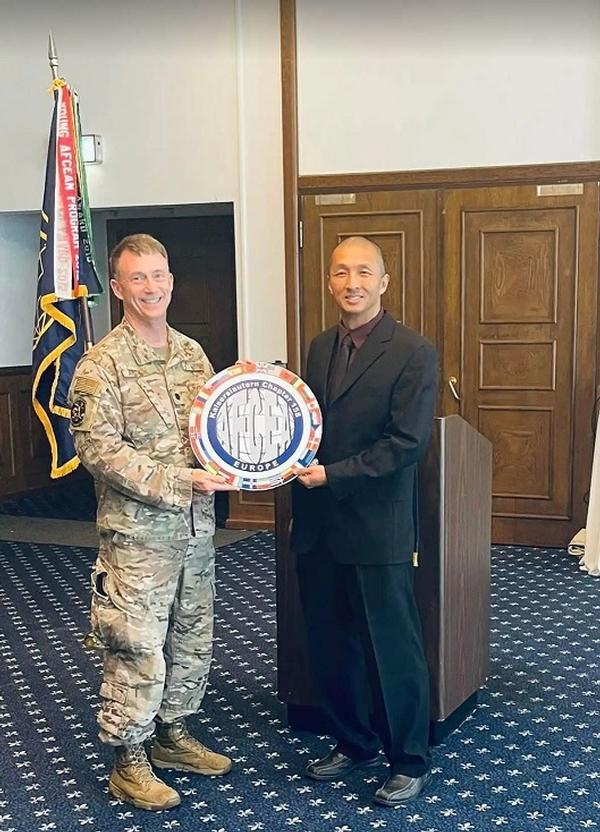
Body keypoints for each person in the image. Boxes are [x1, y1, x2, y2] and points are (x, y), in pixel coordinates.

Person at [69, 234, 238, 811]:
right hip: (136, 537)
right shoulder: (99, 366)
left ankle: (173, 734)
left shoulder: (194, 356)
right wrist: (178, 482)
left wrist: (243, 459)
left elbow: (214, 431)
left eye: (159, 275)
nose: (152, 287)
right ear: (117, 288)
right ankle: (129, 757)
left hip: (195, 532)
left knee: (191, 636)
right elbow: (100, 451)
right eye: (138, 278)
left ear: (172, 280)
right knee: (136, 645)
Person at [291, 236, 438, 807]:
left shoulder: (413, 351)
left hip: (376, 526)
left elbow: (406, 443)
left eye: (363, 272)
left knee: (391, 646)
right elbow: (307, 425)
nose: (351, 282)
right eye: (340, 272)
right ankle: (353, 742)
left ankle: (409, 757)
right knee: (331, 642)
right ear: (330, 282)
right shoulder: (319, 346)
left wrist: (334, 475)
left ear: (383, 282)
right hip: (318, 524)